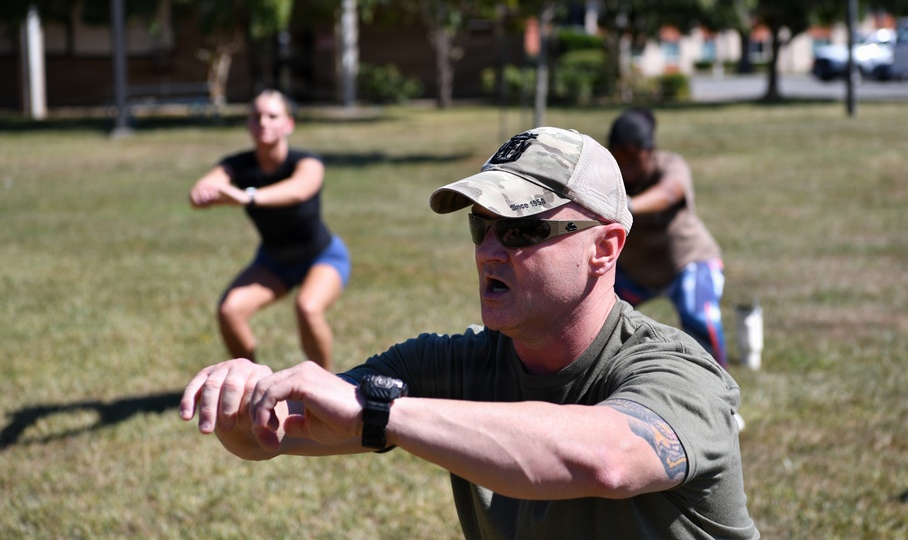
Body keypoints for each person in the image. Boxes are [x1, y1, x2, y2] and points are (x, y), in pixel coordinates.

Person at [180, 126, 758, 540]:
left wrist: (381, 412)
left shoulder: (679, 373)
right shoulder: (451, 367)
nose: (486, 251)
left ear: (604, 248)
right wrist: (243, 404)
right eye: (480, 226)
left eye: (521, 231)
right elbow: (275, 435)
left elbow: (605, 459)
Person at [188, 89, 350, 371]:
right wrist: (205, 192)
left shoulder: (307, 163)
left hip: (322, 257)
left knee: (307, 309)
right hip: (274, 261)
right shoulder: (238, 165)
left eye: (272, 116)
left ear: (289, 124)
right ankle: (254, 385)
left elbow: (298, 191)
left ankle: (326, 387)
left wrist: (247, 196)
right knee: (230, 310)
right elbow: (200, 192)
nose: (263, 122)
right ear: (248, 124)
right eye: (255, 116)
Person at [608, 108, 731, 369]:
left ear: (650, 150)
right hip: (635, 273)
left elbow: (670, 192)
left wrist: (627, 205)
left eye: (633, 159)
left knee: (699, 317)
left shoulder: (670, 164)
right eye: (620, 159)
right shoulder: (609, 175)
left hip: (688, 262)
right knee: (595, 316)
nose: (627, 168)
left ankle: (720, 393)